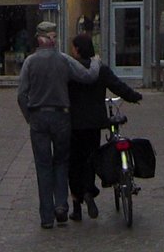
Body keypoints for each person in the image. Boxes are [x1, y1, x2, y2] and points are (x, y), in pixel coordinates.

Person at [17, 21, 101, 230]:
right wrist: (97, 61)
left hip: (38, 117)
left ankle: (47, 217)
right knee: (61, 162)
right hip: (61, 117)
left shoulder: (29, 62)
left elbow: (21, 95)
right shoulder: (63, 60)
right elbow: (88, 76)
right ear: (53, 38)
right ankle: (61, 206)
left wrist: (30, 116)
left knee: (43, 166)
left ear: (39, 38)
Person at [67, 32, 142, 221]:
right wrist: (134, 97)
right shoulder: (99, 68)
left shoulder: (70, 69)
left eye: (73, 47)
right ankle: (89, 192)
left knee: (74, 163)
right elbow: (117, 85)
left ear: (77, 49)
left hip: (74, 124)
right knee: (90, 159)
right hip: (94, 123)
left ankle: (76, 207)